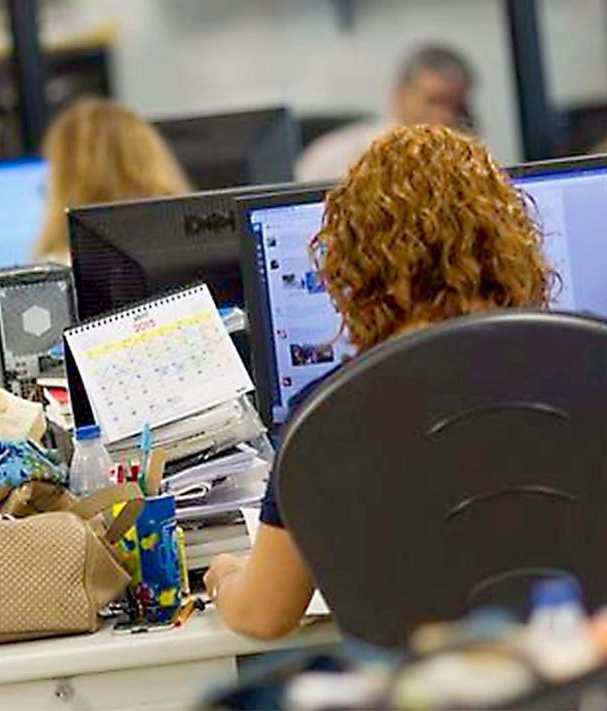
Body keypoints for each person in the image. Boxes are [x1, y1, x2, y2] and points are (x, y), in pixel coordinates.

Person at [205, 125, 557, 640]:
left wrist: (225, 576)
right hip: (595, 664)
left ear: (356, 266)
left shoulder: (331, 410)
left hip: (427, 676)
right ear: (505, 245)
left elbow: (263, 615)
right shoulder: (582, 364)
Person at [32, 98, 192, 263]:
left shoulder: (57, 268)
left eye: (52, 166)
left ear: (65, 180)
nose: (45, 180)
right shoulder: (190, 252)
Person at [296, 46, 475, 182]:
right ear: (400, 95)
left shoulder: (466, 165)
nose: (446, 116)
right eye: (433, 101)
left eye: (456, 106)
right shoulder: (334, 158)